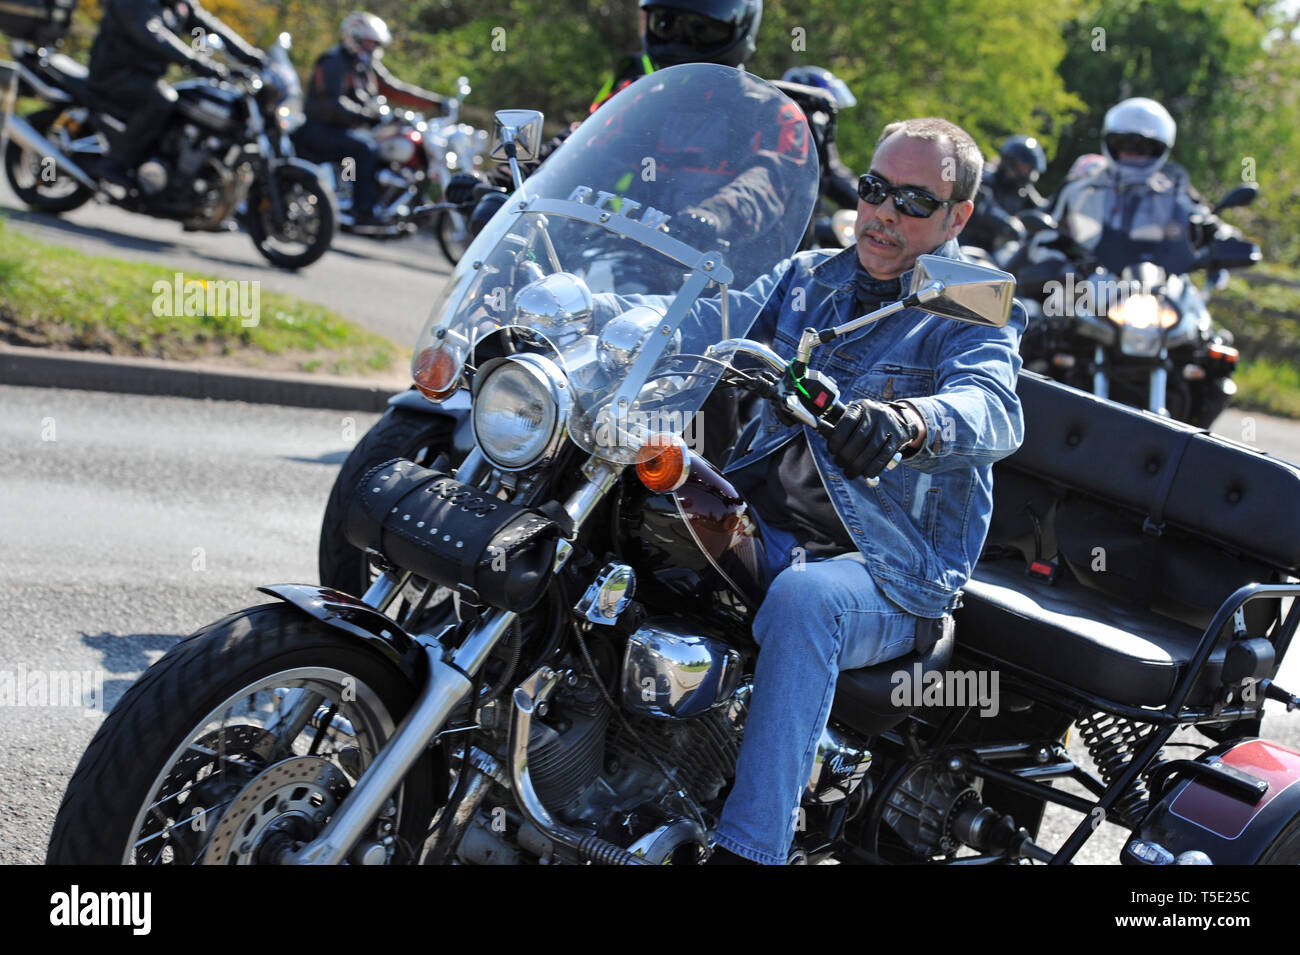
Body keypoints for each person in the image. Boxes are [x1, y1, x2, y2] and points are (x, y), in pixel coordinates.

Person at [698, 117, 1027, 864]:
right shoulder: (810, 274)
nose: (883, 213)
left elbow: (993, 406)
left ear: (957, 218)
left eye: (914, 201)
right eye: (875, 189)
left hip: (886, 565)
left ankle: (749, 849)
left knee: (806, 602)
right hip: (768, 522)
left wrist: (909, 419)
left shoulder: (967, 296)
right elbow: (699, 317)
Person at [88, 0, 266, 190]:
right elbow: (152, 33)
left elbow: (207, 28)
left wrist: (250, 56)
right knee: (162, 100)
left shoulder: (178, 5)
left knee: (188, 102)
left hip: (145, 76)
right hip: (115, 73)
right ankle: (114, 164)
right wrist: (195, 61)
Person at [296, 11, 445, 227]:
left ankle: (394, 202)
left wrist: (437, 102)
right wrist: (368, 117)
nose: (372, 48)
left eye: (375, 43)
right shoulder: (334, 62)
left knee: (383, 145)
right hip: (319, 129)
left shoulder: (363, 64)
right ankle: (362, 211)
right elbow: (333, 104)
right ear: (352, 37)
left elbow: (395, 88)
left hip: (347, 129)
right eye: (368, 42)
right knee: (363, 149)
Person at [1026, 98, 1203, 275]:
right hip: (1090, 290)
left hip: (1164, 288)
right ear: (1110, 144)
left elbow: (1206, 222)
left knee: (1196, 302)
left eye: (1143, 147)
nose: (1131, 153)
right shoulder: (1078, 189)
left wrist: (1223, 238)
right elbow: (1046, 238)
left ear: (1158, 149)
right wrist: (1058, 268)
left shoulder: (1175, 191)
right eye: (1122, 144)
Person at [962, 134, 1048, 253]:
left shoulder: (1022, 190)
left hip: (997, 251)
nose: (1026, 172)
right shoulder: (985, 179)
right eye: (1023, 167)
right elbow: (984, 206)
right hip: (969, 245)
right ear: (1010, 162)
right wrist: (1007, 222)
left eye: (1029, 168)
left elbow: (1043, 208)